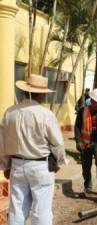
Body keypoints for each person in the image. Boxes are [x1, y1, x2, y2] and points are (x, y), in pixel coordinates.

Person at [0, 74, 67, 225]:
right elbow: (57, 144)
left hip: (17, 166)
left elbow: (2, 143)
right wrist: (59, 161)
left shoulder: (9, 113)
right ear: (40, 94)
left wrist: (5, 165)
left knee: (17, 208)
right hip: (40, 167)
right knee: (41, 210)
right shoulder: (46, 115)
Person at [74, 88, 97, 194]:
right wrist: (78, 141)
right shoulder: (82, 111)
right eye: (96, 102)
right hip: (85, 143)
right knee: (86, 166)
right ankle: (88, 187)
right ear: (92, 100)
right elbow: (77, 127)